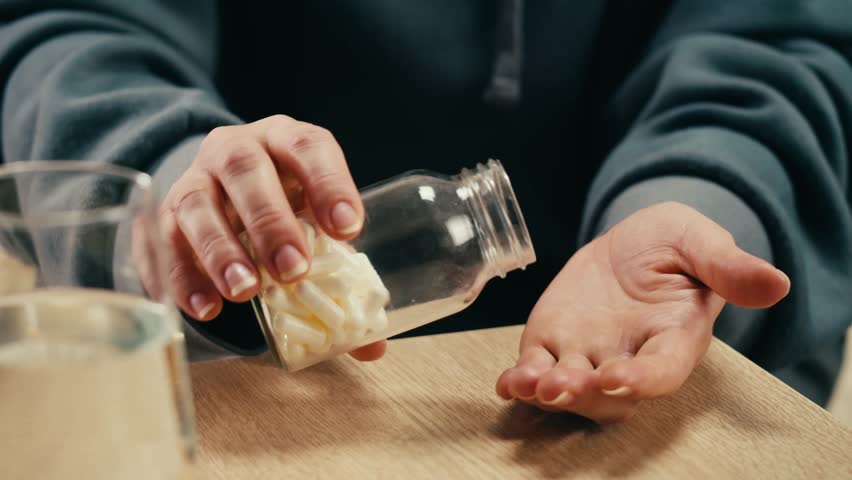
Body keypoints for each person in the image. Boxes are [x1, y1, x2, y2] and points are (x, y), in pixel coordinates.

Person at [1, 0, 850, 423]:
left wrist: (700, 203)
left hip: (630, 355)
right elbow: (73, 24)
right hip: (251, 378)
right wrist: (172, 178)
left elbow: (776, 38)